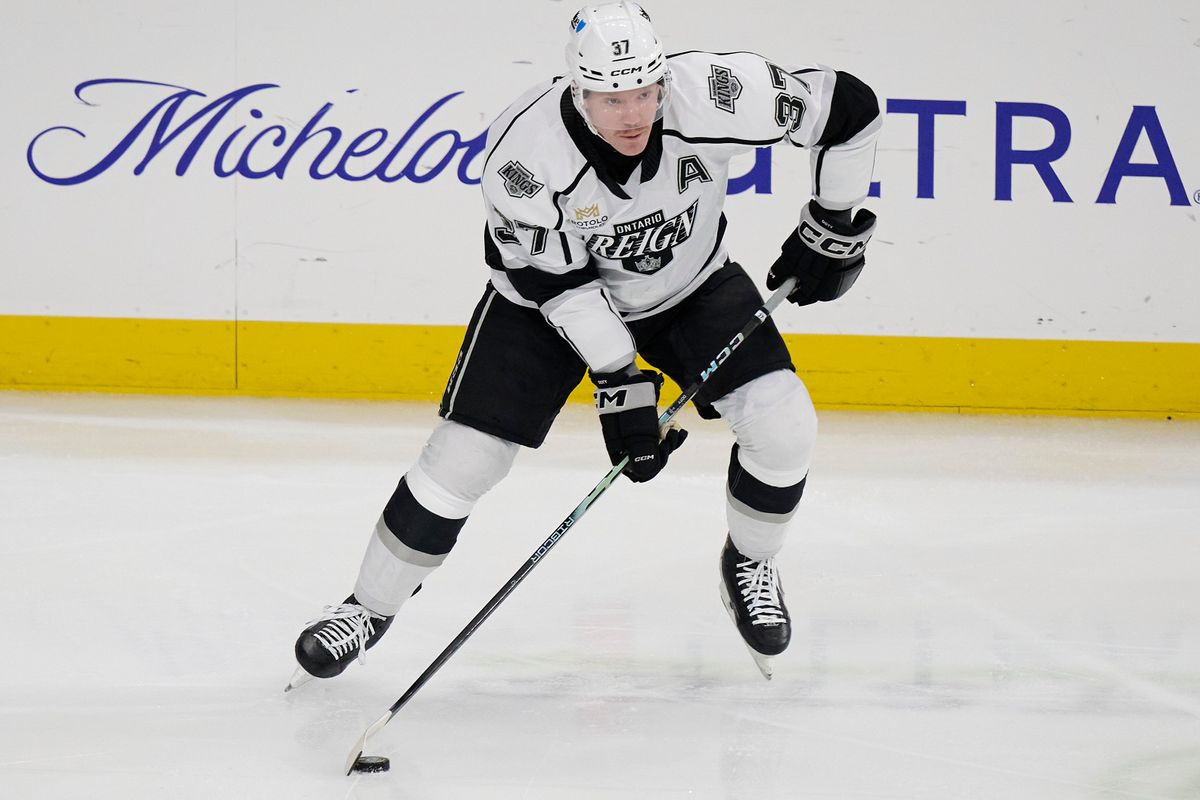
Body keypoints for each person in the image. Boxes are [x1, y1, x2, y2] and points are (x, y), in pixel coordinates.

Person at [287, 1, 879, 687]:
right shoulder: (525, 158)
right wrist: (620, 380)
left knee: (785, 425)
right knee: (465, 459)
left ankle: (748, 562)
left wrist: (834, 223)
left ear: (663, 79)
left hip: (690, 286)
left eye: (644, 92)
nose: (632, 113)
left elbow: (850, 107)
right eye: (610, 97)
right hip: (544, 308)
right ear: (578, 89)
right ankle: (367, 607)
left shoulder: (715, 92)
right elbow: (559, 287)